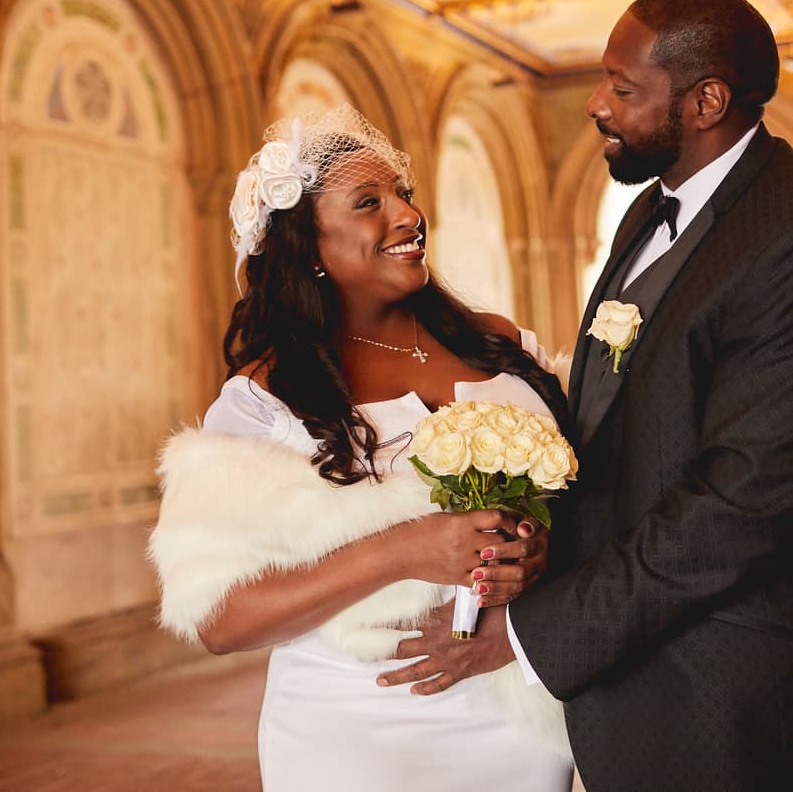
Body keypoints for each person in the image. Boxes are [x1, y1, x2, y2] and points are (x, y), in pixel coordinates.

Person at [379, 0, 793, 789]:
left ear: (706, 100)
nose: (596, 104)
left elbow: (737, 509)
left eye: (623, 88)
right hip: (645, 690)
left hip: (745, 711)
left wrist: (527, 634)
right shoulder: (651, 210)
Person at [147, 107, 574, 792]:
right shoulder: (266, 399)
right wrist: (406, 549)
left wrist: (545, 550)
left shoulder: (502, 347)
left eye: (404, 193)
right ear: (308, 247)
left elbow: (600, 496)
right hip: (361, 725)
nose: (408, 215)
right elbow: (219, 617)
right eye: (370, 203)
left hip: (519, 714)